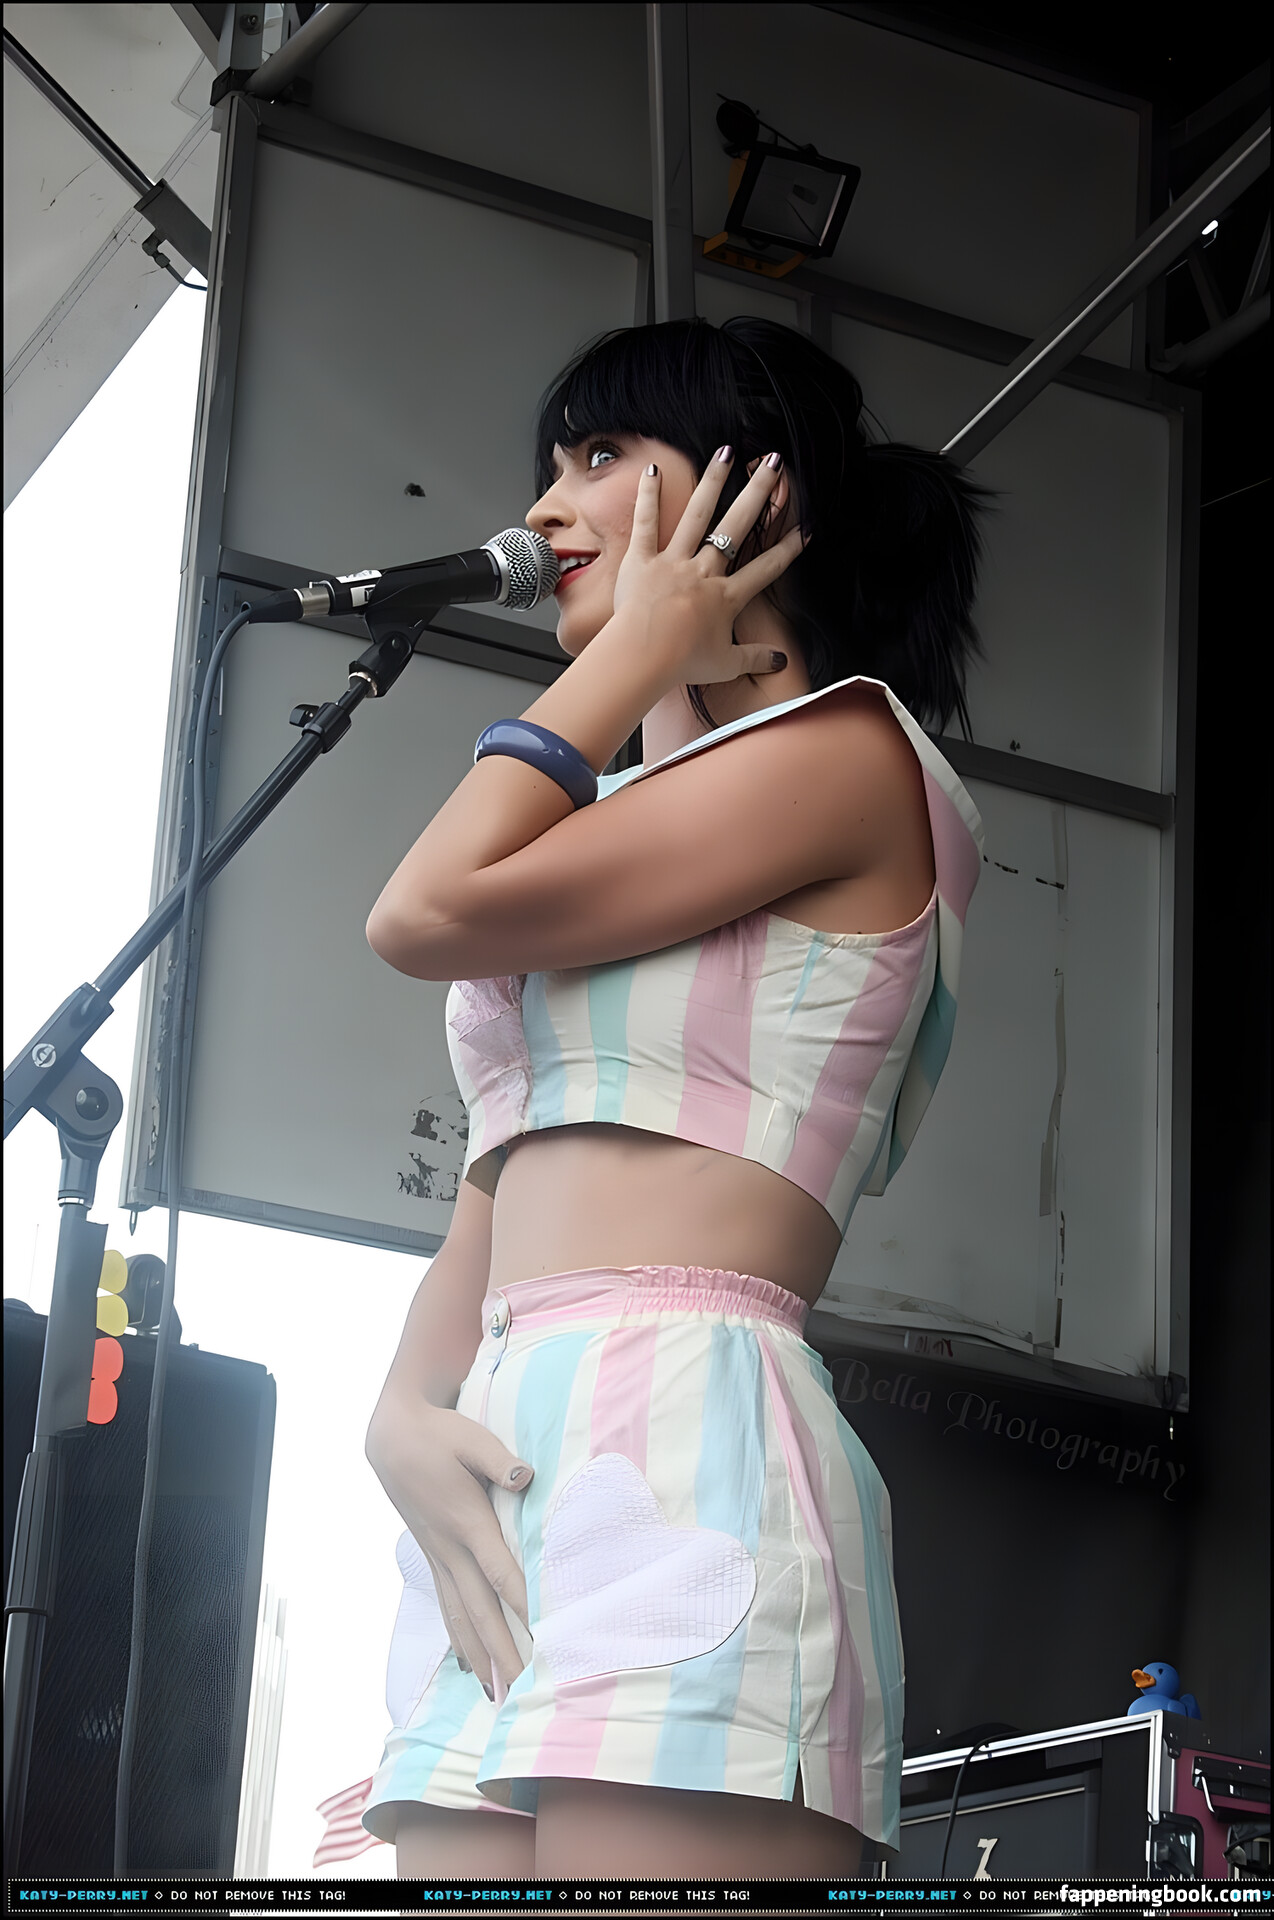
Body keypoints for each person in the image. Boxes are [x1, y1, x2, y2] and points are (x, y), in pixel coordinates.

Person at [358, 317, 989, 1877]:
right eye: (548, 465)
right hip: (499, 1446)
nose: (545, 508)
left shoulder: (848, 755)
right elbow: (500, 1174)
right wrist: (399, 1407)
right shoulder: (619, 818)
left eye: (596, 456)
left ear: (755, 494)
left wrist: (632, 656)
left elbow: (420, 914)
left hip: (686, 1422)